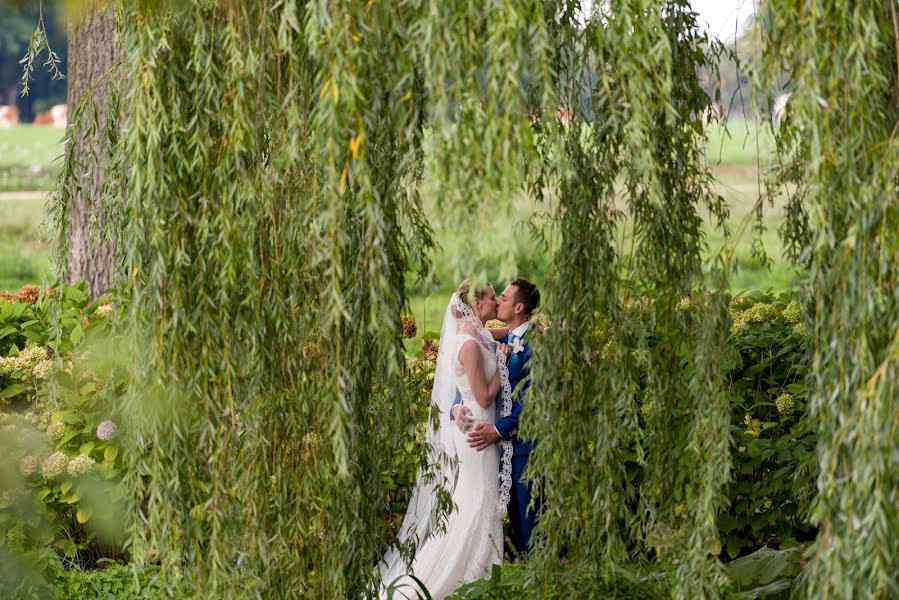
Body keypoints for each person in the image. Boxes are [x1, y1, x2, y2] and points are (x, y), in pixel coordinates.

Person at [378, 279, 513, 600]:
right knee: (478, 502)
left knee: (475, 500)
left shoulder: (477, 333)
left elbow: (502, 335)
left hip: (475, 429)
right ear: (477, 303)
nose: (497, 303)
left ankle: (484, 571)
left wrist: (528, 329)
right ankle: (469, 575)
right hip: (479, 432)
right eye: (493, 298)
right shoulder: (467, 343)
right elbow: (482, 397)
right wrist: (503, 364)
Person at [452, 277, 541, 557]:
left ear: (518, 307)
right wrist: (455, 407)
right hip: (490, 441)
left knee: (529, 523)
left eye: (503, 297)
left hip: (520, 445)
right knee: (488, 508)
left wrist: (499, 430)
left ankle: (536, 580)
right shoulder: (487, 337)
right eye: (495, 296)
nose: (498, 300)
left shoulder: (534, 344)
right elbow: (466, 376)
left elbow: (532, 400)